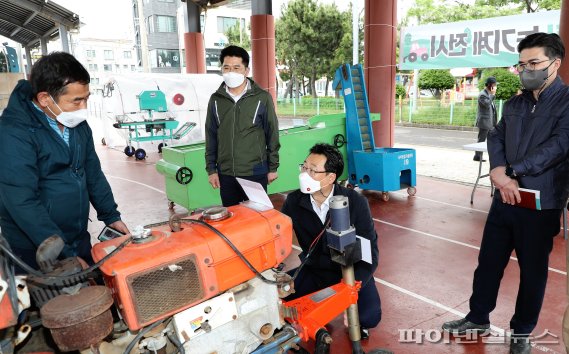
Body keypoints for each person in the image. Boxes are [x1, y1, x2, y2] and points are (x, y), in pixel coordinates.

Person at [442, 33, 569, 354]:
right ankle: (477, 317)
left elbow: (559, 146)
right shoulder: (515, 102)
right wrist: (498, 171)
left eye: (534, 63)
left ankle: (521, 333)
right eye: (522, 64)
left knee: (533, 272)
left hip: (540, 204)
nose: (527, 70)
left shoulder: (567, 103)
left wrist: (513, 172)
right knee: (488, 262)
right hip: (504, 199)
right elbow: (496, 136)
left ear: (556, 63)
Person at [0, 52, 129, 271]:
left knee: (89, 290)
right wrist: (63, 254)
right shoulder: (14, 133)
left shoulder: (78, 125)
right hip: (36, 246)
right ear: (44, 99)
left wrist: (111, 216)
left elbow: (93, 173)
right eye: (76, 100)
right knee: (43, 303)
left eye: (86, 98)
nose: (83, 108)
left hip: (76, 235)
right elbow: (22, 201)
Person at [281, 143, 381, 339]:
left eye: (313, 170)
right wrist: (279, 276)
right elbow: (278, 240)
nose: (305, 174)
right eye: (304, 167)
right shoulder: (294, 201)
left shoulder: (355, 202)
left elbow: (371, 253)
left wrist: (351, 289)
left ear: (331, 178)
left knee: (369, 317)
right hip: (315, 269)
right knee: (281, 300)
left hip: (350, 273)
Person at [205, 45, 280, 207]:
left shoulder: (262, 98)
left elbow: (272, 133)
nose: (231, 72)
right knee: (232, 221)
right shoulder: (216, 99)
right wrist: (212, 170)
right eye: (226, 67)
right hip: (226, 174)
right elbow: (211, 135)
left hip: (255, 172)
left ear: (246, 70)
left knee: (257, 218)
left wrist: (272, 167)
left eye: (236, 68)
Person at [473, 76, 497, 162]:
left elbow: (492, 108)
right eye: (494, 85)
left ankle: (482, 155)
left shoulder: (488, 94)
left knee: (490, 139)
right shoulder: (482, 94)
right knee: (482, 139)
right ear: (490, 85)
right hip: (484, 122)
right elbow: (486, 104)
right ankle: (477, 156)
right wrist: (492, 95)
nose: (495, 87)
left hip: (490, 122)